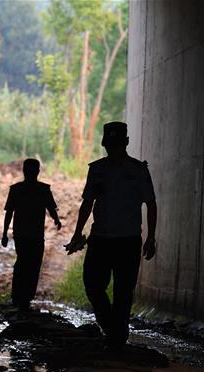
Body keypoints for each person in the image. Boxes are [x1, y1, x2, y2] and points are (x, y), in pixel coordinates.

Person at [64, 121, 157, 349]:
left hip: (128, 240)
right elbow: (87, 203)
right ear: (104, 144)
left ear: (126, 143)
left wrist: (151, 237)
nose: (113, 150)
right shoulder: (97, 170)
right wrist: (77, 233)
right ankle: (109, 325)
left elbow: (151, 203)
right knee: (92, 284)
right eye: (110, 145)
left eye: (117, 145)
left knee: (123, 291)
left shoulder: (138, 170)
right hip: (100, 239)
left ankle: (117, 336)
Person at [1, 158, 61, 310]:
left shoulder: (16, 189)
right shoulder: (44, 189)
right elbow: (51, 208)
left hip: (21, 234)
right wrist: (56, 219)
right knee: (33, 265)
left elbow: (9, 213)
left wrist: (5, 233)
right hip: (36, 235)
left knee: (22, 263)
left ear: (24, 171)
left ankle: (18, 297)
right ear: (38, 172)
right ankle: (26, 298)